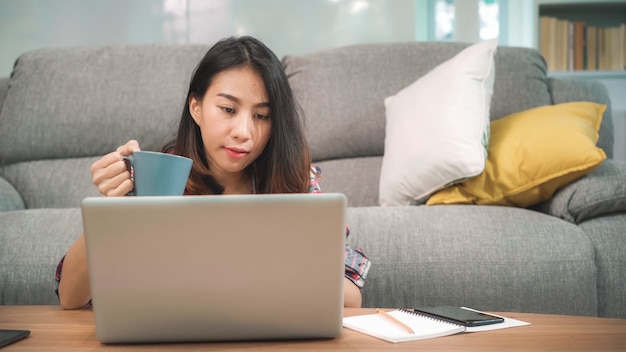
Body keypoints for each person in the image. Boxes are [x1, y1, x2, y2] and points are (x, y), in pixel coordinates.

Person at [55, 35, 370, 310]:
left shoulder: (294, 180)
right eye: (228, 110)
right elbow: (71, 298)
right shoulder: (158, 179)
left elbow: (350, 295)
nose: (244, 132)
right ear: (196, 108)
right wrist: (112, 206)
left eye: (261, 115)